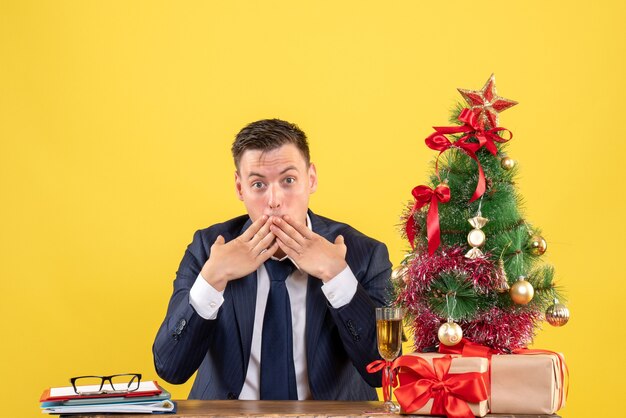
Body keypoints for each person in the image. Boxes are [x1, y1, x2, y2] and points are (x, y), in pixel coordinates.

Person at [152, 119, 392, 400]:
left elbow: (383, 371)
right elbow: (170, 368)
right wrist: (212, 279)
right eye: (258, 184)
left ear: (311, 179)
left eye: (288, 180)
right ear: (240, 188)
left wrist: (337, 275)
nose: (275, 200)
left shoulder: (365, 253)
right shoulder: (208, 249)